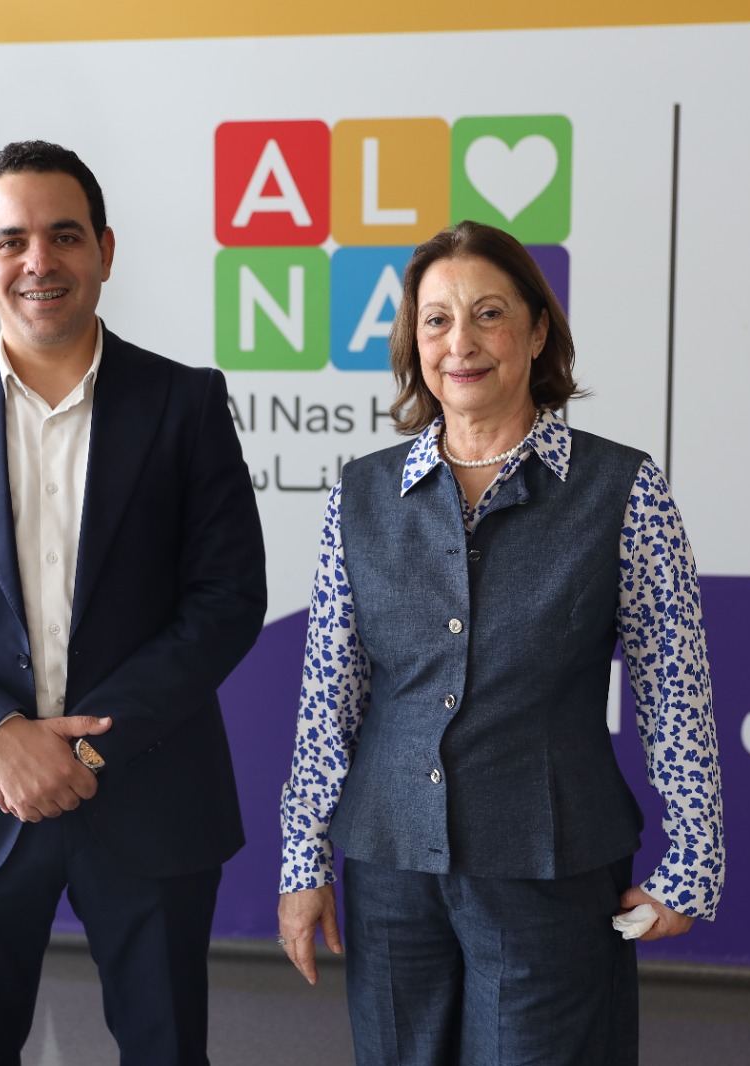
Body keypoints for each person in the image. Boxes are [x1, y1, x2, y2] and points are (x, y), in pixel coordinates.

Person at [276, 221, 725, 1064]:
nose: (461, 343)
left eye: (489, 314)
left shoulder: (622, 489)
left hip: (548, 869)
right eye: (437, 320)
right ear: (413, 341)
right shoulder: (361, 495)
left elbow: (675, 689)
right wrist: (303, 860)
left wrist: (694, 860)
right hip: (390, 870)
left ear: (538, 330)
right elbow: (329, 692)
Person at [0, 140, 267, 1066]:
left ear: (105, 251)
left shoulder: (185, 404)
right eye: (12, 241)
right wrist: (0, 737)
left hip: (152, 796)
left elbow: (227, 600)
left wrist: (84, 748)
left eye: (65, 236)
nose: (38, 261)